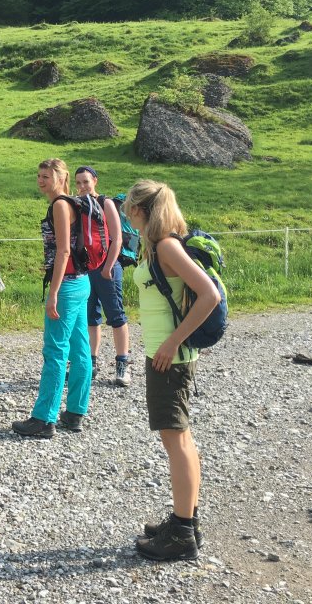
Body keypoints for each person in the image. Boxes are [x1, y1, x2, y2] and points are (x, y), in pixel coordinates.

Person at [122, 180, 220, 561]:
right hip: (167, 355)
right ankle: (186, 521)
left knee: (176, 442)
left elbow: (209, 295)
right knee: (182, 440)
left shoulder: (166, 246)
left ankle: (181, 534)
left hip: (169, 358)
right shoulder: (160, 246)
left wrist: (172, 342)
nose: (129, 218)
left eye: (131, 211)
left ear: (141, 210)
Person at [12, 159, 92, 439]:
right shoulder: (74, 203)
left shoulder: (60, 205)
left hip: (67, 286)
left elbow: (64, 251)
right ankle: (75, 412)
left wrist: (54, 293)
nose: (41, 180)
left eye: (46, 176)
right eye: (39, 175)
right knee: (80, 350)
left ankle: (44, 419)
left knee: (56, 352)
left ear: (61, 177)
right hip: (82, 282)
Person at [75, 166, 132, 387]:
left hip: (108, 267)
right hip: (87, 268)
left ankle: (122, 364)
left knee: (116, 314)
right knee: (90, 316)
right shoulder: (78, 204)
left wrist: (108, 267)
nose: (82, 186)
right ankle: (91, 363)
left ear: (95, 181)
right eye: (78, 182)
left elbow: (117, 239)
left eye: (86, 182)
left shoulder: (106, 203)